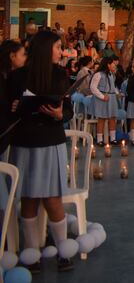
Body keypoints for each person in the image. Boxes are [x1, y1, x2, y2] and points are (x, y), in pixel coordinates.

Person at [6, 30, 75, 272]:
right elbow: (7, 109)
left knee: (53, 199)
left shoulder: (59, 74)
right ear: (46, 49)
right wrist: (15, 106)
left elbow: (68, 110)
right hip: (25, 142)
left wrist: (59, 115)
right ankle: (31, 252)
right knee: (29, 199)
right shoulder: (18, 77)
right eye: (57, 47)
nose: (61, 51)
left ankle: (63, 250)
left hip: (50, 141)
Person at [90, 56, 119, 146]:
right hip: (102, 99)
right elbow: (93, 88)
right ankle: (99, 140)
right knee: (101, 118)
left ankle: (113, 138)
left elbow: (112, 86)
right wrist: (102, 96)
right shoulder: (98, 74)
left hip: (111, 98)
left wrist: (117, 93)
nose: (114, 65)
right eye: (113, 63)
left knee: (112, 118)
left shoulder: (111, 74)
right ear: (108, 64)